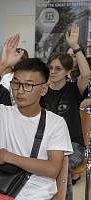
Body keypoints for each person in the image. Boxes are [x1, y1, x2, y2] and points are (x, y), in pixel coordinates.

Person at [0, 34, 72, 200]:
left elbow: (53, 168)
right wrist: (1, 65)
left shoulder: (56, 123)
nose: (19, 90)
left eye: (28, 85)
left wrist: (9, 157)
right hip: (0, 189)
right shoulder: (4, 114)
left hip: (37, 194)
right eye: (16, 83)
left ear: (43, 89)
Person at [41, 24, 91, 199]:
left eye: (58, 68)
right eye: (51, 68)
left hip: (73, 145)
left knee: (62, 165)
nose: (52, 72)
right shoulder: (42, 91)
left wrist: (76, 47)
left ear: (68, 72)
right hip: (47, 145)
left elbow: (86, 75)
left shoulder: (73, 89)